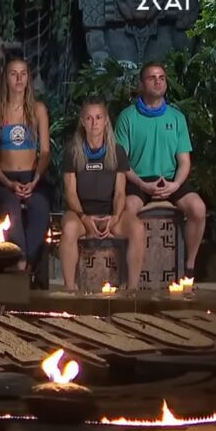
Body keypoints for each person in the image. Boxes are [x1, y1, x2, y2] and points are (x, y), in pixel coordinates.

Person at [114, 62, 206, 278]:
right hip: (138, 181)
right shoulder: (127, 117)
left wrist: (175, 184)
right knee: (127, 208)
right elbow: (121, 162)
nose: (158, 81)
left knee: (198, 208)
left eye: (162, 78)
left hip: (170, 180)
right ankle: (129, 273)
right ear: (141, 84)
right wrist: (142, 184)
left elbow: (184, 161)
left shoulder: (177, 118)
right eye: (152, 78)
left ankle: (189, 268)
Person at [60, 99, 145, 291]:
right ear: (83, 122)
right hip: (81, 214)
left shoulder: (117, 151)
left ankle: (132, 290)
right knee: (69, 228)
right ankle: (70, 289)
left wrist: (115, 217)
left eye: (98, 118)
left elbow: (120, 192)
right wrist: (84, 218)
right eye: (89, 118)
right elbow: (70, 193)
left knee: (138, 228)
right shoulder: (72, 151)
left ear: (106, 121)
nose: (94, 123)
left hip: (109, 213)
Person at [0, 58, 51, 283]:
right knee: (11, 207)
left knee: (40, 207)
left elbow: (45, 152)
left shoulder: (38, 110)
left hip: (32, 177)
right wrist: (7, 183)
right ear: (6, 79)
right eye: (13, 74)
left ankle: (27, 262)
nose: (19, 78)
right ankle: (21, 261)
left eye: (23, 73)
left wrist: (35, 180)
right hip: (4, 179)